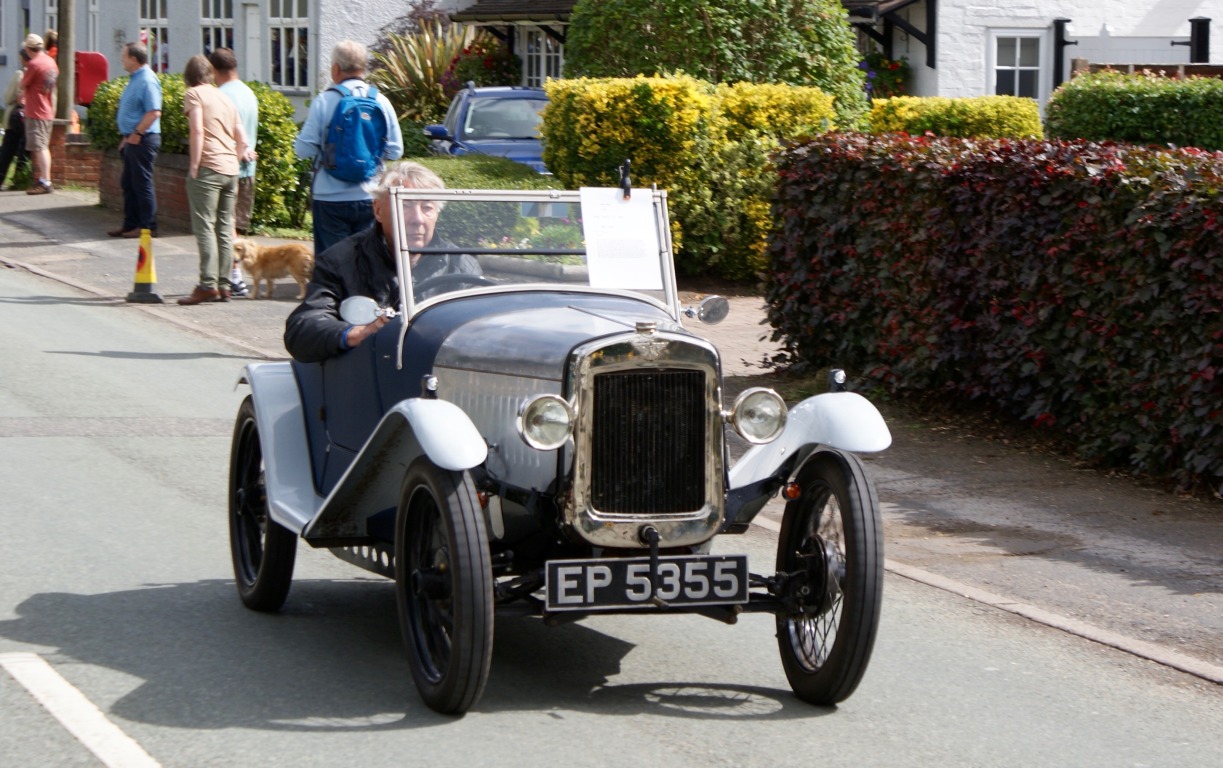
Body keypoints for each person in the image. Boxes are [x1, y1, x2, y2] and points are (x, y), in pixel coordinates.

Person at [284, 161, 480, 363]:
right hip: (370, 377)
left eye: (427, 207)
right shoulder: (340, 260)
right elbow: (303, 327)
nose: (418, 219)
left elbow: (481, 328)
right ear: (378, 211)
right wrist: (356, 333)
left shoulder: (462, 264)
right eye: (405, 205)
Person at [293, 39, 403, 256]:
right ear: (364, 68)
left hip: (329, 199)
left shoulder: (324, 101)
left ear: (335, 69)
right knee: (369, 260)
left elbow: (302, 150)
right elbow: (396, 150)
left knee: (332, 264)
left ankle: (337, 292)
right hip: (369, 196)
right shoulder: (381, 101)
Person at [178, 55, 253, 306]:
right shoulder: (224, 96)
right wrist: (243, 150)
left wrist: (194, 164)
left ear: (189, 77)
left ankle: (207, 284)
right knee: (223, 227)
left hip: (209, 167)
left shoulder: (194, 95)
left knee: (204, 227)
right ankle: (224, 285)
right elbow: (240, 134)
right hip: (231, 169)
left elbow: (197, 130)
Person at [209, 47, 258, 297]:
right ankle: (235, 277)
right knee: (235, 225)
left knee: (226, 226)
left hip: (227, 168)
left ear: (214, 70)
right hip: (248, 168)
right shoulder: (249, 93)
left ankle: (235, 278)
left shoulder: (221, 96)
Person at [109, 42, 162, 238]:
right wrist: (127, 136)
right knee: (129, 183)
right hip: (133, 139)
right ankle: (130, 224)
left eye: (124, 56)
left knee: (142, 184)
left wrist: (137, 134)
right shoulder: (135, 78)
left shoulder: (147, 80)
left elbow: (154, 112)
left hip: (144, 139)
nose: (121, 60)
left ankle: (148, 227)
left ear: (134, 59)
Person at [20, 34, 56, 195]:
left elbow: (23, 84)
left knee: (40, 147)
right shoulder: (51, 62)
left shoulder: (34, 64)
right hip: (47, 109)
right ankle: (42, 179)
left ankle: (46, 181)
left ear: (28, 49)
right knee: (43, 146)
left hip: (36, 111)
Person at [0, 48, 30, 190]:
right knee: (23, 151)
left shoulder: (21, 74)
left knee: (7, 150)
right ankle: (19, 179)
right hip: (29, 119)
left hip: (15, 118)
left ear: (23, 58)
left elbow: (7, 97)